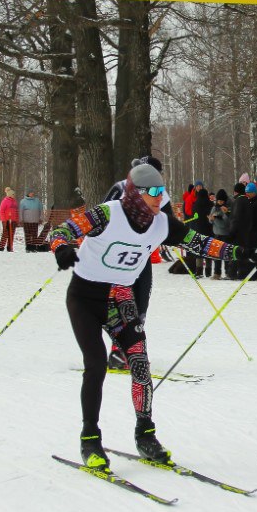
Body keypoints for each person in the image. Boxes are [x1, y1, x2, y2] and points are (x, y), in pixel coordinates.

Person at [50, 163, 257, 469]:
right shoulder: (109, 213)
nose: (160, 197)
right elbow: (63, 230)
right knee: (95, 364)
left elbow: (203, 244)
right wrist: (62, 248)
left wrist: (246, 252)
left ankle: (145, 434)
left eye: (162, 190)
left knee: (140, 365)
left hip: (120, 296)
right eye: (153, 192)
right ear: (134, 193)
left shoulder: (162, 223)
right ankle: (90, 439)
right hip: (85, 297)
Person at [102, 156, 172, 369]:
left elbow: (168, 222)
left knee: (138, 303)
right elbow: (103, 214)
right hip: (122, 257)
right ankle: (120, 352)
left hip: (141, 257)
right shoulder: (121, 188)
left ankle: (127, 351)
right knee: (128, 303)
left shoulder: (159, 193)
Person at [209, 189, 232, 279]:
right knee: (216, 255)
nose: (220, 202)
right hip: (216, 234)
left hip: (225, 234)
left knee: (226, 254)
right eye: (218, 200)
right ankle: (217, 273)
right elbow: (210, 219)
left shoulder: (227, 208)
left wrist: (216, 219)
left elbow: (225, 223)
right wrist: (211, 219)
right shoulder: (214, 208)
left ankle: (228, 272)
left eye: (222, 201)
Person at [0, 187, 18, 252]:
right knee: (5, 233)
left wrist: (17, 219)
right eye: (13, 194)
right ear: (9, 194)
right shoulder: (5, 201)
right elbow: (1, 211)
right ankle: (1, 247)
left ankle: (10, 247)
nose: (14, 196)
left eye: (14, 194)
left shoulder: (15, 202)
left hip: (13, 220)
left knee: (11, 234)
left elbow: (16, 211)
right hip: (6, 220)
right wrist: (4, 220)